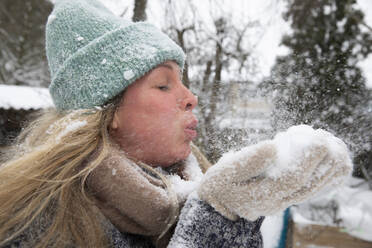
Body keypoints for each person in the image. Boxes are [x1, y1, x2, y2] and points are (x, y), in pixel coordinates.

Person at [0, 0, 352, 247]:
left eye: (182, 81)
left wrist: (232, 220)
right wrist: (214, 224)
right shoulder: (37, 226)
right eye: (164, 84)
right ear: (111, 113)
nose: (190, 97)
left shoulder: (200, 192)